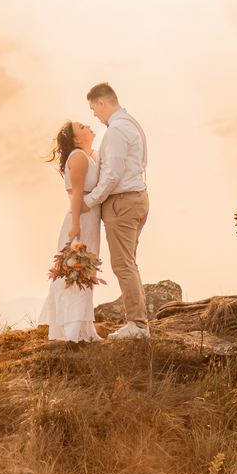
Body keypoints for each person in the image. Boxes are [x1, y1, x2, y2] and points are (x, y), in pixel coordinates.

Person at [82, 82, 150, 340]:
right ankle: (138, 323)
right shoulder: (131, 124)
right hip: (136, 198)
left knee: (122, 264)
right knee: (128, 263)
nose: (94, 116)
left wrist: (89, 201)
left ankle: (138, 326)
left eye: (93, 109)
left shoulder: (117, 130)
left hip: (122, 202)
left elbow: (112, 175)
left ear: (102, 102)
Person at [37, 120, 103, 342]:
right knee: (76, 271)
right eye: (82, 127)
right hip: (81, 220)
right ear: (76, 139)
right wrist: (75, 225)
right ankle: (72, 330)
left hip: (89, 220)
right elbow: (77, 193)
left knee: (85, 272)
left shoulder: (88, 155)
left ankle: (82, 328)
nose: (88, 127)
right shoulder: (79, 157)